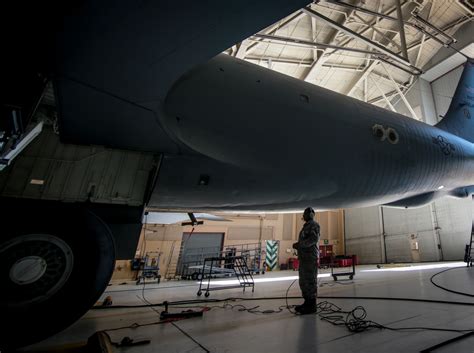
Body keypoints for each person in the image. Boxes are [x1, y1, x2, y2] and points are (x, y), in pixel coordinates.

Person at [292, 207, 320, 314]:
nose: (308, 214)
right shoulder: (305, 227)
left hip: (310, 258)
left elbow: (314, 239)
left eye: (310, 212)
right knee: (303, 281)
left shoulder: (314, 225)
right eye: (306, 213)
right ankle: (307, 302)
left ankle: (311, 306)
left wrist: (299, 245)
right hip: (304, 258)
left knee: (310, 280)